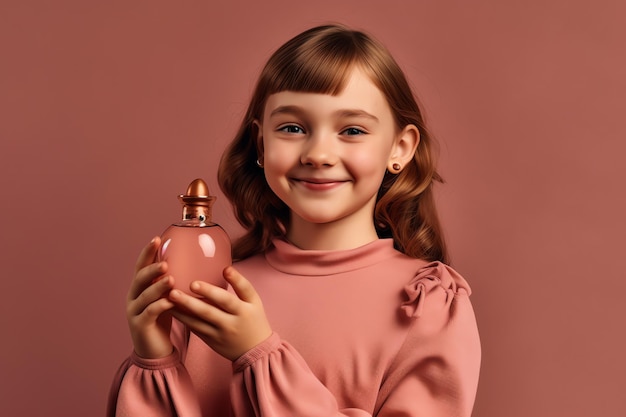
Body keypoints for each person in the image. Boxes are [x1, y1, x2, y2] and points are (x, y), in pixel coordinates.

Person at [108, 24, 481, 416]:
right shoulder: (210, 294)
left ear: (400, 148)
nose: (318, 153)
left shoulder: (429, 306)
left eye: (352, 130)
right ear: (261, 142)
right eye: (292, 128)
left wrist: (260, 356)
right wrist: (154, 359)